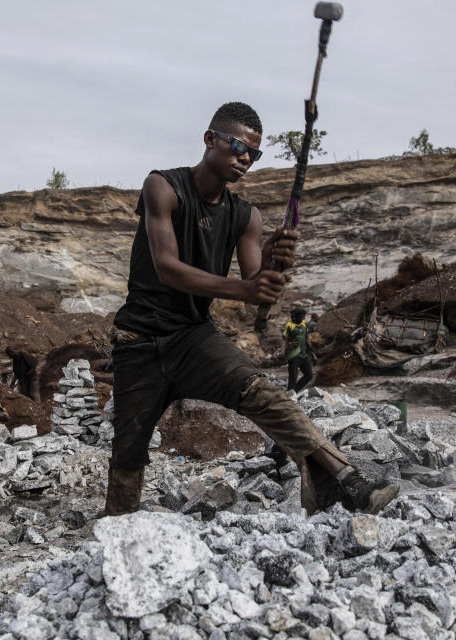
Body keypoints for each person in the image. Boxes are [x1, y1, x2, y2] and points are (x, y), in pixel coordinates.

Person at [106, 101, 399, 517]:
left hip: (192, 335)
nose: (244, 158)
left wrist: (274, 263)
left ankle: (345, 481)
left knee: (261, 392)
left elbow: (259, 290)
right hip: (138, 339)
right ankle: (117, 532)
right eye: (236, 146)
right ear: (210, 140)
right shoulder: (163, 187)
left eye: (253, 154)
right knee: (128, 451)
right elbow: (167, 268)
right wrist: (245, 287)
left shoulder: (246, 216)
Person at [283, 306, 314, 392]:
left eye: (304, 316)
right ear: (295, 316)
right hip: (294, 355)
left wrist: (312, 352)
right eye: (301, 316)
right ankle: (290, 394)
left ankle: (295, 392)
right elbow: (285, 339)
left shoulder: (304, 324)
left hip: (304, 355)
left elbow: (306, 338)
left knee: (309, 375)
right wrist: (284, 351)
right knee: (293, 378)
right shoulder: (289, 325)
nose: (303, 318)